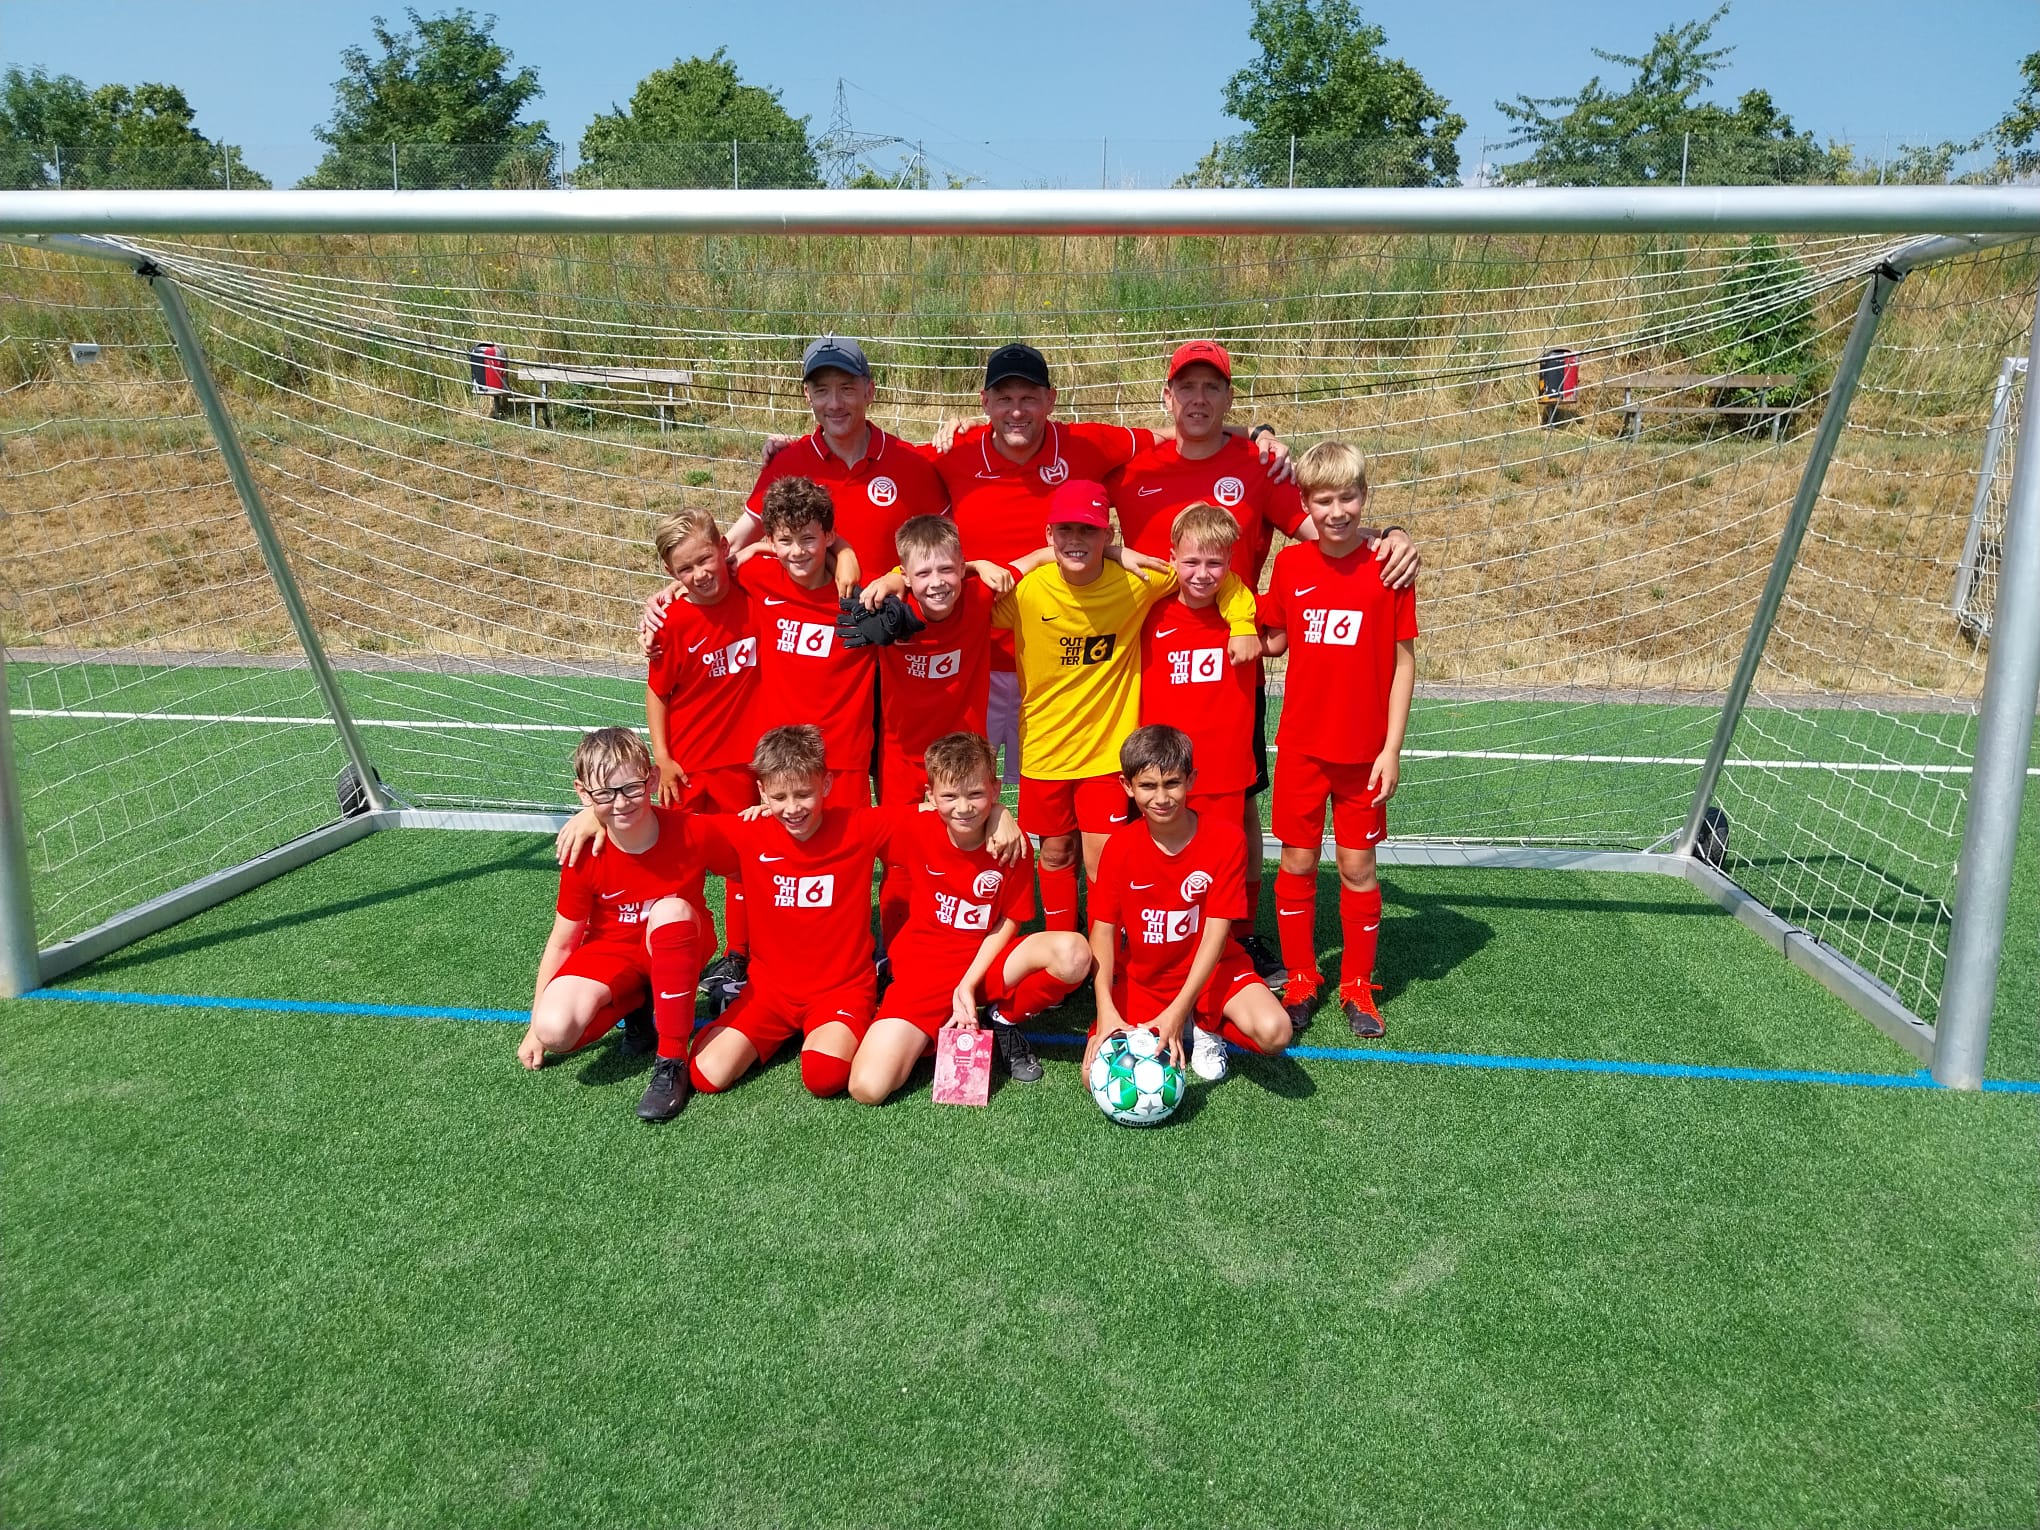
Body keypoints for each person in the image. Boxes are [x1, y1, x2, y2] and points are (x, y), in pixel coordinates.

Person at [1109, 339, 1422, 980]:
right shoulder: (1133, 463)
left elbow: (1327, 531)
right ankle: (1142, 931)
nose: (1198, 399)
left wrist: (1391, 537)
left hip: (1236, 655)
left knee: (1234, 805)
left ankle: (1241, 934)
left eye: (1212, 387)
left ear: (1229, 398)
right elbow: (1071, 520)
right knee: (1150, 798)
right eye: (1186, 387)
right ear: (1167, 396)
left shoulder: (1257, 465)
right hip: (1153, 660)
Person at [993, 479, 1259, 933]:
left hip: (1107, 751)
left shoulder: (1140, 581)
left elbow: (1215, 572)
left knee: (1105, 859)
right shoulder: (1028, 590)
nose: (1076, 539)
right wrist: (1029, 561)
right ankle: (1063, 942)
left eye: (1089, 530)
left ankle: (1108, 952)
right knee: (1055, 851)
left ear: (1108, 534)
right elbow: (963, 596)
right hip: (1043, 748)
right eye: (1065, 529)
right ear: (1049, 534)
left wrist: (1243, 622)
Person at [1258, 441, 1418, 1040]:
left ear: (1364, 497)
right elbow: (1273, 637)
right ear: (1305, 503)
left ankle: (1357, 984)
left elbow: (1404, 664)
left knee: (1357, 867)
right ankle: (1302, 978)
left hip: (1364, 755)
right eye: (1323, 500)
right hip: (1302, 748)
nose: (1337, 511)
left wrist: (1391, 749)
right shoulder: (1291, 565)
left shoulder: (1387, 567)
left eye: (1348, 497)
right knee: (1297, 862)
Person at [849, 732, 1091, 1101]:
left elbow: (1010, 920)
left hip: (988, 965)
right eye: (949, 796)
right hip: (924, 974)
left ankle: (1003, 1018)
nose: (963, 807)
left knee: (1074, 953)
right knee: (868, 1087)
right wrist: (767, 812)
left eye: (976, 794)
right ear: (931, 796)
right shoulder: (913, 826)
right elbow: (842, 824)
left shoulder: (1012, 845)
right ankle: (930, 1029)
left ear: (995, 789)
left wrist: (967, 983)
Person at [519, 727, 711, 1123]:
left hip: (679, 939)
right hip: (612, 951)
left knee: (670, 912)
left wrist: (764, 811)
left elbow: (755, 855)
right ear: (583, 794)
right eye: (604, 794)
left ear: (652, 780)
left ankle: (671, 1060)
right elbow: (562, 942)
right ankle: (638, 1001)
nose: (620, 803)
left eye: (631, 789)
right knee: (554, 1029)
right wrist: (534, 1028)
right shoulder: (583, 850)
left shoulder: (690, 830)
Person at [1086, 724, 1293, 1084]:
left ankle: (1206, 1026)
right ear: (1127, 786)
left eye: (1172, 783)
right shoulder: (1119, 848)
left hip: (1214, 971)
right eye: (1147, 786)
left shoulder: (1226, 840)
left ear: (1191, 780)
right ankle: (1183, 1023)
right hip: (1147, 980)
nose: (1161, 797)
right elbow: (1102, 932)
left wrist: (1178, 1010)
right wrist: (1105, 1009)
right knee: (1092, 1077)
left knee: (1276, 1031)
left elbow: (1216, 933)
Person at [644, 508, 759, 997]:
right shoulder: (671, 621)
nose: (699, 574)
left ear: (724, 549)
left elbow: (777, 552)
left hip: (741, 764)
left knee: (741, 863)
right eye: (685, 569)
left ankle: (739, 954)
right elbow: (657, 693)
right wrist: (663, 757)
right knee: (678, 865)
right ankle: (680, 951)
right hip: (685, 768)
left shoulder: (755, 595)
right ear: (671, 574)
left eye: (705, 559)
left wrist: (756, 548)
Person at [729, 335, 950, 578]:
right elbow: (735, 542)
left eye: (847, 389)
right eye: (822, 391)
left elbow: (949, 549)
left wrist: (897, 578)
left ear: (869, 391)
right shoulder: (786, 464)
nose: (834, 404)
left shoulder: (911, 463)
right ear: (807, 395)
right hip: (814, 603)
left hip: (890, 601)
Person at [742, 477, 877, 809]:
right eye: (785, 540)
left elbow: (913, 583)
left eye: (808, 539)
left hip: (844, 756)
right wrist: (668, 595)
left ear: (828, 536)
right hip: (780, 755)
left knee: (848, 841)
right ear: (770, 540)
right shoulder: (756, 576)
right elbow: (703, 578)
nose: (797, 551)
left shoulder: (863, 597)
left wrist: (845, 552)